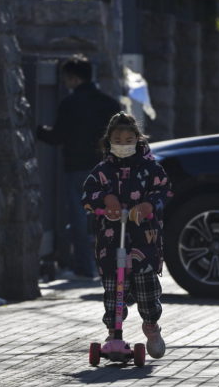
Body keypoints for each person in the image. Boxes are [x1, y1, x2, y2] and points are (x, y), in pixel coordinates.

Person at [81, 112, 173, 358]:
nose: (123, 144)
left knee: (147, 290)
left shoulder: (150, 169)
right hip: (111, 241)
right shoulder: (102, 171)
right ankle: (114, 331)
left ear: (138, 139)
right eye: (118, 140)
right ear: (109, 141)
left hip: (144, 241)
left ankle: (151, 326)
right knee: (113, 290)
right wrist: (105, 199)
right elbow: (87, 195)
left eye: (128, 139)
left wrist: (148, 206)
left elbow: (163, 190)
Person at [37, 55, 122, 279]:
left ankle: (84, 268)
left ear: (74, 78)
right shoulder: (110, 104)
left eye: (66, 79)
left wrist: (36, 130)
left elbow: (57, 137)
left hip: (77, 168)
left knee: (78, 218)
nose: (65, 83)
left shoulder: (70, 103)